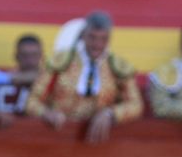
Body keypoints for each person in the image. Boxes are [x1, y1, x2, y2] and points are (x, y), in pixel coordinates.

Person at [25, 10, 142, 144]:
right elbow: (31, 102)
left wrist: (111, 114)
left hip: (100, 140)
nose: (97, 44)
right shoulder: (61, 62)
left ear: (108, 39)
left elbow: (136, 105)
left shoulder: (117, 67)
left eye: (103, 39)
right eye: (92, 37)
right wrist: (46, 113)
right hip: (60, 136)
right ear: (83, 36)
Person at [0, 33, 43, 114]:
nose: (30, 61)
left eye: (34, 55)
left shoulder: (50, 81)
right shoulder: (2, 81)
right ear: (16, 56)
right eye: (25, 55)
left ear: (41, 56)